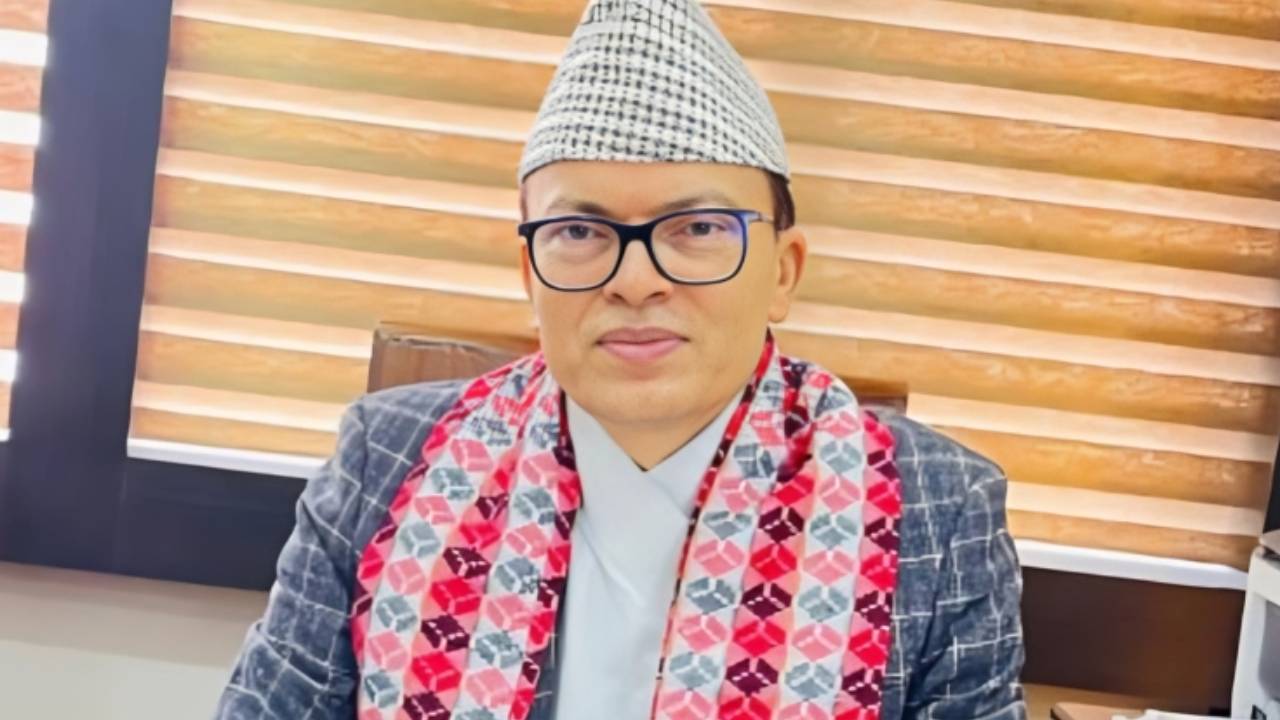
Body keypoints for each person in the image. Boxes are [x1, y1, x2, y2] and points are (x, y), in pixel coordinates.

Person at [214, 0, 1026, 718]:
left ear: (783, 272)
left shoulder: (938, 508)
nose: (635, 281)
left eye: (697, 228)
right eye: (579, 231)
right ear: (529, 272)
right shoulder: (383, 462)